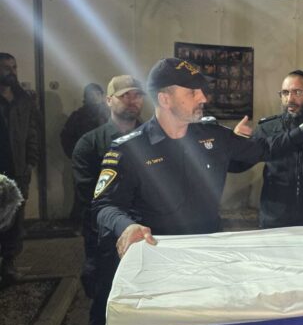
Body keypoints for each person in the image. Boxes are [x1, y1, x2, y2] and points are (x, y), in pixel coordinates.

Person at [93, 58, 272, 256]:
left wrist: (298, 132)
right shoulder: (130, 149)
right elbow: (105, 205)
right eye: (192, 92)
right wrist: (126, 226)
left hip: (209, 250)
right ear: (165, 100)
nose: (203, 98)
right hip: (158, 251)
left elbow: (264, 149)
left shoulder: (214, 136)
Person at [72, 75, 145, 325]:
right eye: (125, 95)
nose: (132, 100)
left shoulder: (153, 137)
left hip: (146, 236)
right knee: (103, 299)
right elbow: (91, 196)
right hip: (104, 239)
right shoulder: (90, 144)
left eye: (137, 95)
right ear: (109, 100)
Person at [233, 70, 303, 228]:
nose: (290, 99)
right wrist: (237, 143)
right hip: (275, 221)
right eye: (285, 93)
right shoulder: (268, 128)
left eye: (297, 92)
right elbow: (238, 165)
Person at [0, 52, 39, 284]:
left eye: (14, 67)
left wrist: (30, 162)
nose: (12, 72)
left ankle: (9, 264)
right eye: (6, 68)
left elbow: (32, 132)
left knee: (15, 219)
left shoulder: (24, 100)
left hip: (18, 171)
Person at [60, 83, 110, 158]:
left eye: (97, 94)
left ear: (102, 96)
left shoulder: (111, 114)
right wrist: (76, 155)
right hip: (85, 159)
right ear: (86, 97)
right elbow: (66, 137)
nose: (94, 97)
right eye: (91, 94)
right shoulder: (77, 116)